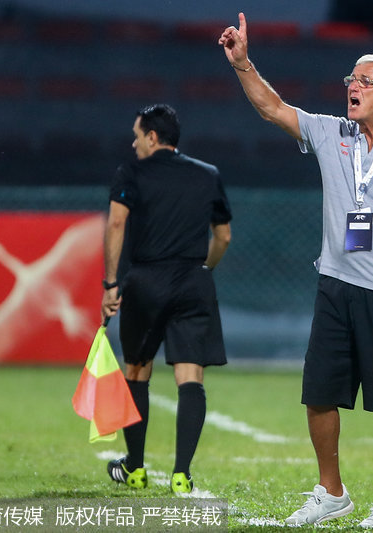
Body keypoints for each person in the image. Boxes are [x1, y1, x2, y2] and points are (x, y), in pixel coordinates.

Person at [219, 14, 373, 529]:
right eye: (351, 78)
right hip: (335, 286)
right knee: (320, 393)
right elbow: (273, 108)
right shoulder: (334, 134)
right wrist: (243, 64)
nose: (353, 86)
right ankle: (331, 492)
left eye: (365, 81)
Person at [101, 103, 232, 494]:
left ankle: (135, 468)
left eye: (137, 136)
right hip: (192, 281)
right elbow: (223, 236)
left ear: (153, 137)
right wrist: (204, 268)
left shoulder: (131, 173)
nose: (133, 143)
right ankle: (181, 474)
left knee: (137, 371)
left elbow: (116, 223)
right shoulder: (208, 174)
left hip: (146, 281)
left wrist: (111, 283)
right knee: (190, 377)